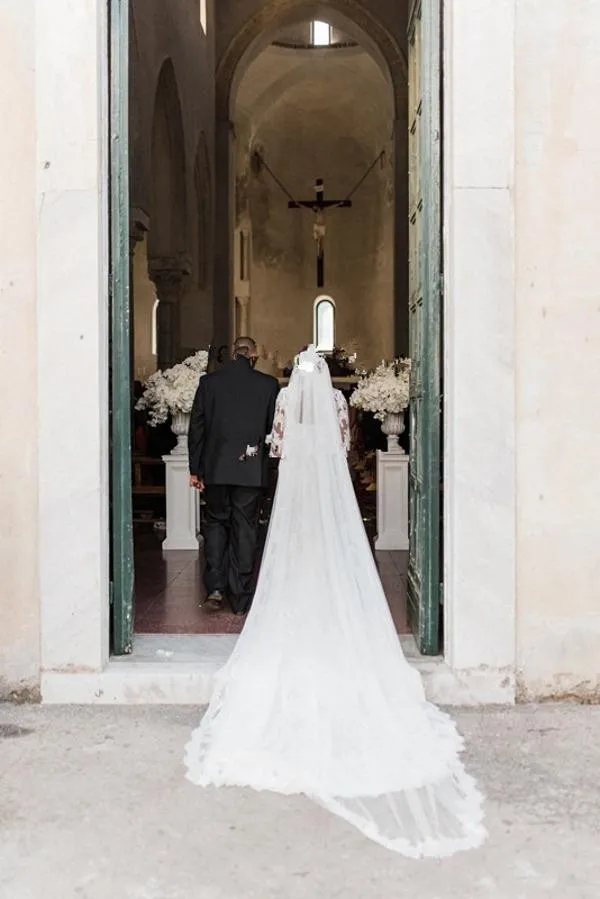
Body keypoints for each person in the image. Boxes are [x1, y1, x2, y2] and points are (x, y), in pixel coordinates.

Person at [184, 345, 486, 858]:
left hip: (288, 489)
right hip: (325, 490)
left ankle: (237, 589)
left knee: (276, 544)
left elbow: (277, 448)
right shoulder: (337, 406)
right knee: (327, 546)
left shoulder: (281, 398)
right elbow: (343, 447)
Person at [188, 336, 279, 615]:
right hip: (249, 467)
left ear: (233, 355)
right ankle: (240, 595)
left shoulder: (209, 383)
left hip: (215, 469)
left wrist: (196, 469)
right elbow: (270, 430)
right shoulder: (268, 385)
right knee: (245, 527)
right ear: (252, 356)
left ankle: (215, 588)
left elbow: (197, 428)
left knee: (216, 523)